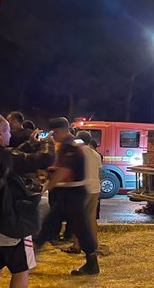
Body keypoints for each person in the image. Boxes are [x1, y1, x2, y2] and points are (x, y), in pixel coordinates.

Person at [0, 115, 55, 288]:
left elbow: (12, 154)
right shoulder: (5, 156)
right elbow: (44, 158)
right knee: (21, 270)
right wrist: (48, 142)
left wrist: (29, 144)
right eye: (8, 130)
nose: (10, 135)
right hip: (10, 221)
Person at [44, 117, 99, 275]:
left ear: (60, 130)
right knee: (70, 224)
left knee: (78, 226)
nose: (53, 136)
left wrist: (48, 186)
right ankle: (91, 262)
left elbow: (65, 170)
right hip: (72, 190)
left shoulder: (70, 145)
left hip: (73, 191)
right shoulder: (71, 144)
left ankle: (92, 263)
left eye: (54, 133)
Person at [63, 131, 102, 254]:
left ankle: (76, 246)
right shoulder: (96, 154)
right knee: (91, 218)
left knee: (77, 218)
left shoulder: (78, 153)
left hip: (83, 188)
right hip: (95, 188)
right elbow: (99, 172)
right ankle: (94, 244)